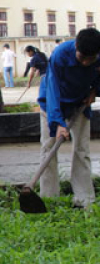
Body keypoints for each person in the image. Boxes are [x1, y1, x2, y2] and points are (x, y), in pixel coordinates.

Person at [38, 28, 100, 209]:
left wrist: (95, 90)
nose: (86, 62)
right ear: (75, 47)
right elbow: (52, 90)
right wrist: (57, 122)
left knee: (82, 149)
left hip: (79, 104)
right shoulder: (60, 55)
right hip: (52, 104)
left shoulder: (97, 56)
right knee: (49, 148)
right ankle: (49, 198)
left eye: (91, 59)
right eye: (82, 58)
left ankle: (84, 199)